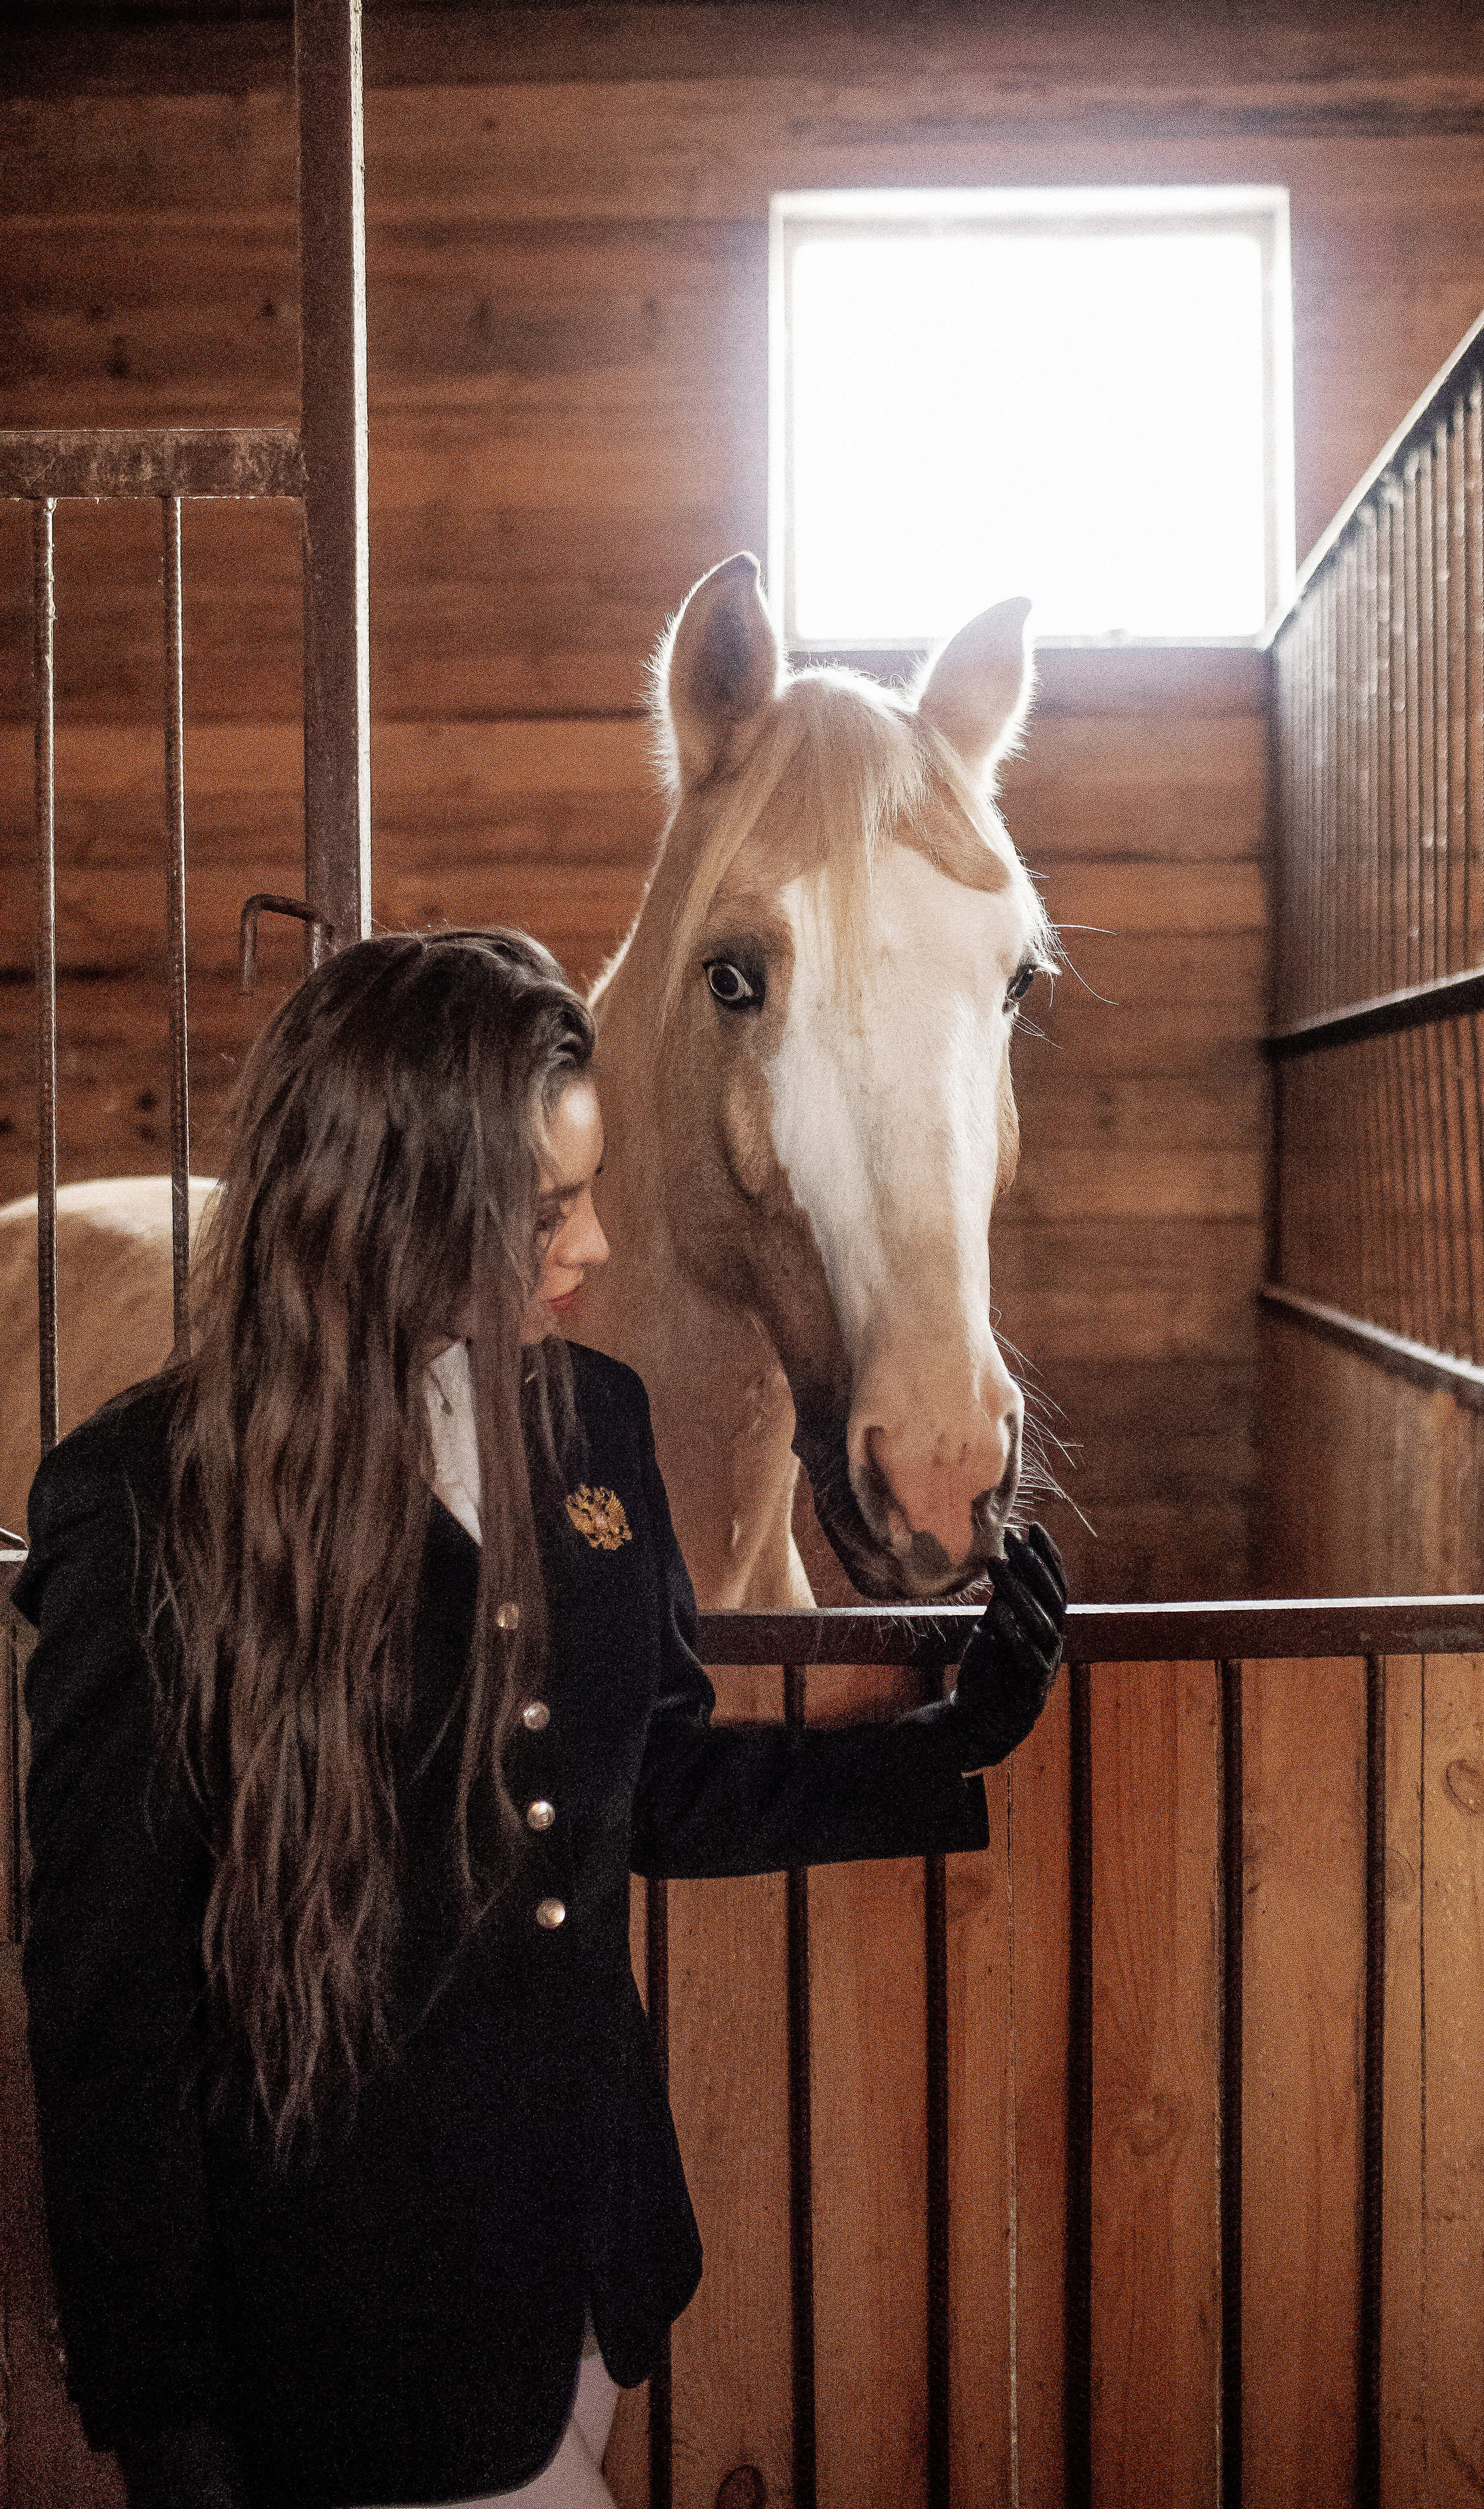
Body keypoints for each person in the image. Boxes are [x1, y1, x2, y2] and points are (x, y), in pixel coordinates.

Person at [17, 928, 1069, 2509]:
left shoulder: (592, 1421)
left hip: (586, 2257)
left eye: (584, 1193)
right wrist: (162, 2416)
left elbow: (640, 1782)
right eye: (543, 1211)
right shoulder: (141, 1503)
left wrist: (947, 1746)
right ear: (393, 1210)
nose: (585, 1251)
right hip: (342, 2310)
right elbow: (109, 2004)